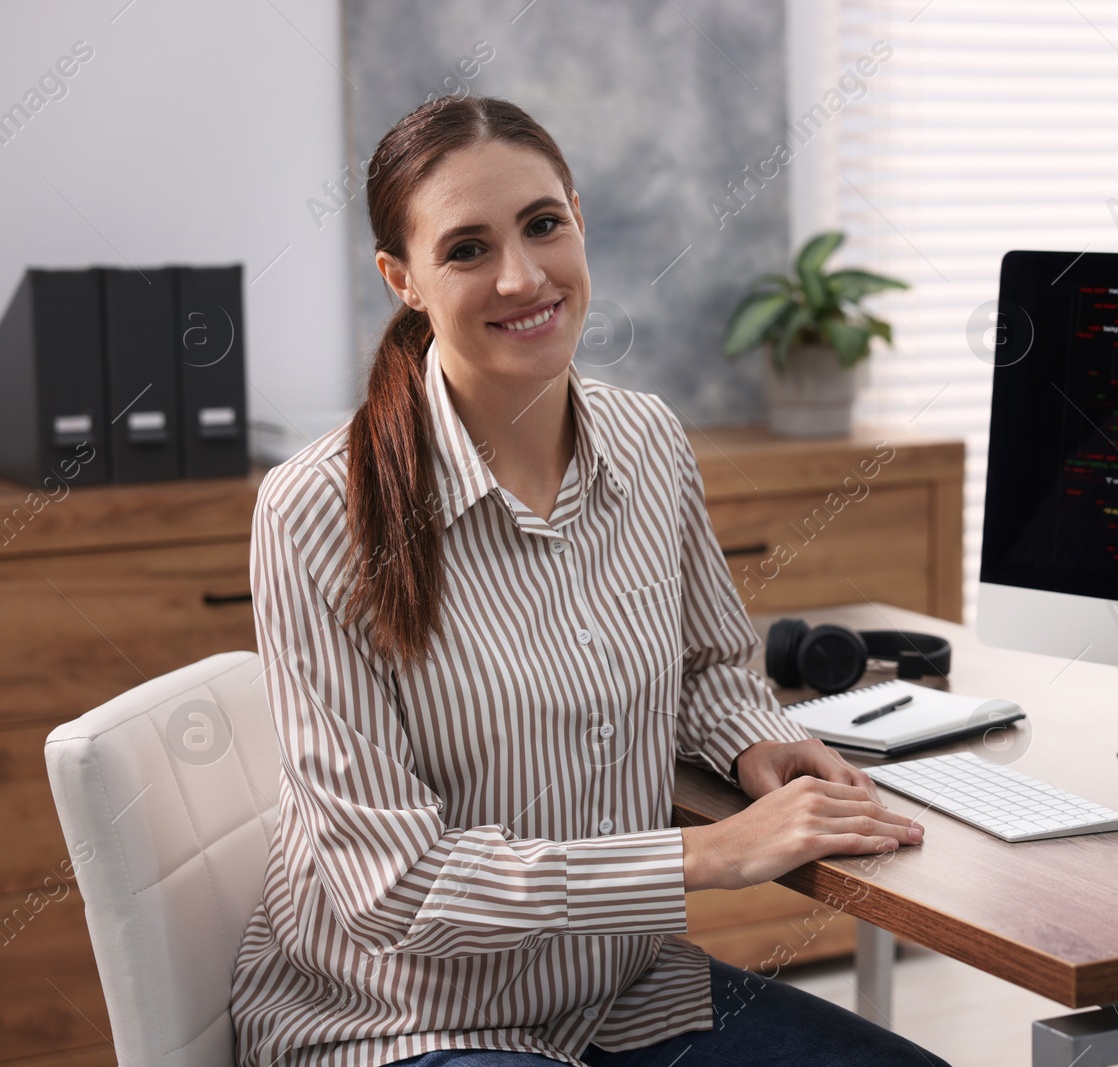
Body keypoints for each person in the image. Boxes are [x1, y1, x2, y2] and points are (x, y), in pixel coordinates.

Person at [229, 95, 945, 1067]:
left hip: (621, 994)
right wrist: (709, 853)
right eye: (467, 248)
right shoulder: (316, 511)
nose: (522, 276)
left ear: (577, 216)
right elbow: (395, 885)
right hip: (398, 1022)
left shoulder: (647, 439)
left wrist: (754, 744)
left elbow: (709, 664)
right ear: (401, 278)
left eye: (541, 224)